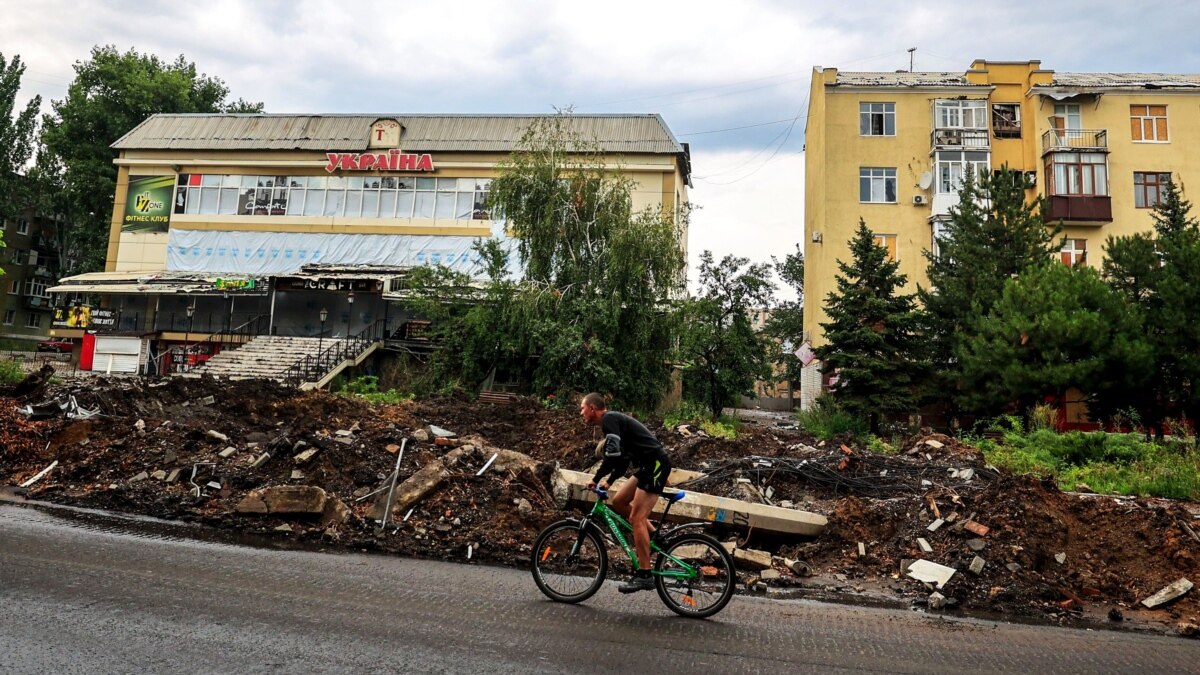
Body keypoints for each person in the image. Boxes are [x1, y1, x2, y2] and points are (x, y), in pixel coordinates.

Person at [580, 392, 671, 593]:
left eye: (583, 408)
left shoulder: (609, 419)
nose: (581, 412)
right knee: (619, 501)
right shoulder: (614, 424)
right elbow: (621, 461)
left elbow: (611, 456)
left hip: (654, 464)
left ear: (593, 408)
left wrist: (595, 479)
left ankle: (645, 575)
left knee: (637, 518)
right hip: (647, 466)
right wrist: (609, 482)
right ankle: (655, 537)